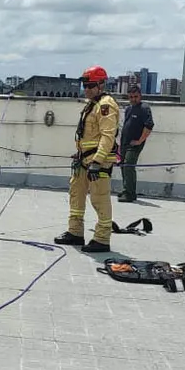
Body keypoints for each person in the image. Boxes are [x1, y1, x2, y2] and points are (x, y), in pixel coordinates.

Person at [55, 65, 120, 253]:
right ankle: (75, 232)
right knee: (76, 193)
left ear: (101, 84)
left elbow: (108, 136)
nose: (87, 89)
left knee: (99, 198)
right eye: (85, 85)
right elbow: (88, 135)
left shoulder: (105, 105)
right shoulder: (92, 104)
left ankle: (102, 239)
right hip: (84, 159)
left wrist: (97, 161)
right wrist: (79, 153)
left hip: (97, 161)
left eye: (90, 85)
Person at [118, 85, 154, 203]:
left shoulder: (144, 108)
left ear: (140, 96)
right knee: (123, 165)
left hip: (134, 144)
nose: (133, 99)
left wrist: (140, 141)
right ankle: (127, 191)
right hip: (124, 143)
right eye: (131, 97)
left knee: (129, 165)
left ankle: (129, 193)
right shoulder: (129, 109)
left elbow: (149, 126)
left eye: (135, 96)